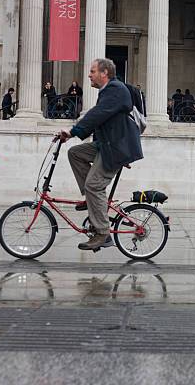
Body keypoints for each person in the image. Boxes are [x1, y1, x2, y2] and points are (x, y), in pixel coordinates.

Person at [58, 58, 143, 251]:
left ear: (104, 73)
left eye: (93, 71)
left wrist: (73, 131)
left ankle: (103, 233)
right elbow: (101, 121)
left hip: (116, 147)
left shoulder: (115, 90)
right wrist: (71, 136)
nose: (89, 75)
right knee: (75, 153)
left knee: (94, 185)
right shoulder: (108, 91)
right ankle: (91, 199)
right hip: (107, 144)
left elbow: (97, 114)